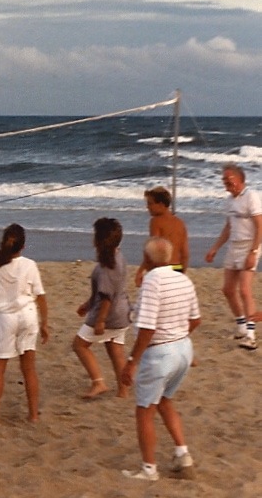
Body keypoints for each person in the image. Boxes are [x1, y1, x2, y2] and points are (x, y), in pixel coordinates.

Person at [120, 237, 201, 481]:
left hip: (160, 353)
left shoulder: (152, 282)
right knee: (165, 400)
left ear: (147, 259)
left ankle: (149, 469)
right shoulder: (184, 279)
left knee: (144, 410)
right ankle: (182, 454)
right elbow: (196, 319)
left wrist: (132, 360)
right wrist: (177, 335)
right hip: (183, 349)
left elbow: (147, 328)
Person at [0, 224, 48, 427]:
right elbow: (40, 296)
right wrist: (45, 324)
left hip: (5, 320)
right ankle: (33, 414)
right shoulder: (29, 264)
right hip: (28, 316)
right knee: (29, 368)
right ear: (23, 246)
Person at [72, 218, 131, 399]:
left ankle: (98, 382)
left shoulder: (107, 266)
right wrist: (87, 304)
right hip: (123, 313)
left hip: (110, 315)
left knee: (79, 345)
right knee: (115, 349)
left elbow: (106, 297)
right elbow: (105, 291)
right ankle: (123, 391)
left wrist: (100, 321)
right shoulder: (118, 256)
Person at [205, 164, 262, 350]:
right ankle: (241, 326)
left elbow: (260, 227)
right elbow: (228, 227)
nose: (225, 183)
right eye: (223, 180)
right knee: (228, 289)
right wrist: (215, 248)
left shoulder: (251, 197)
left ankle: (251, 336)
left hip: (249, 246)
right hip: (234, 246)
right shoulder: (230, 200)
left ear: (239, 180)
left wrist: (253, 252)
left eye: (228, 180)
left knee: (245, 290)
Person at [135, 186, 189, 285]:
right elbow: (185, 254)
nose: (147, 207)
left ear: (161, 204)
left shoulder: (156, 221)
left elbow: (152, 251)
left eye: (150, 203)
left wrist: (141, 271)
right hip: (177, 268)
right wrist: (182, 273)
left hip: (162, 268)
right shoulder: (180, 223)